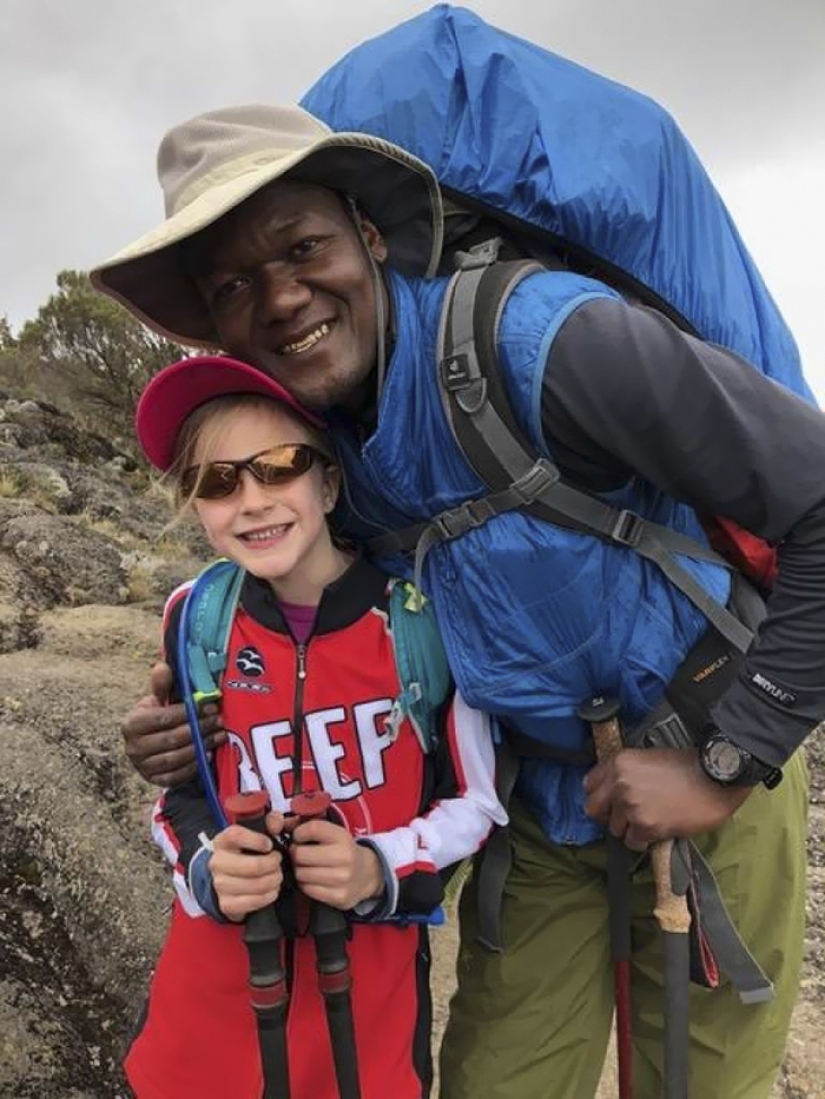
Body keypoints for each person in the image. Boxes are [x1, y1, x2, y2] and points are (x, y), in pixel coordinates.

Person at [90, 105, 825, 1099]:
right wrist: (186, 720)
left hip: (710, 771)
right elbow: (322, 626)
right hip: (540, 802)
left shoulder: (549, 343)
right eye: (234, 285)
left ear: (372, 235)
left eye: (303, 246)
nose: (281, 296)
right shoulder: (319, 434)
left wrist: (725, 764)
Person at [122, 352, 505, 1099]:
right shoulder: (195, 617)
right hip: (206, 1018)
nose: (252, 500)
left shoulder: (422, 620)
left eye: (279, 466)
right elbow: (182, 793)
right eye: (218, 480)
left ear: (328, 481)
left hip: (364, 1024)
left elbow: (477, 800)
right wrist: (207, 865)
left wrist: (377, 866)